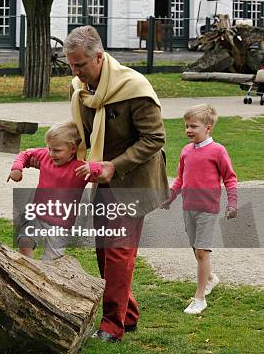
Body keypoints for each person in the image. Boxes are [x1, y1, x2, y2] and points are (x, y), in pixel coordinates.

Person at [66, 25, 169, 343]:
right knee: (103, 251)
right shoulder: (81, 88)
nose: (75, 71)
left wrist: (115, 165)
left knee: (119, 253)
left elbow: (155, 138)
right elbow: (80, 133)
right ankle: (128, 313)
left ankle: (113, 325)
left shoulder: (134, 88)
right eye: (71, 65)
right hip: (102, 178)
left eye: (80, 64)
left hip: (132, 180)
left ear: (99, 57)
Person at [161, 104, 238, 315]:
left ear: (208, 128)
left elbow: (230, 178)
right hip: (188, 208)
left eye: (193, 126)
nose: (188, 130)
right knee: (196, 249)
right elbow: (180, 179)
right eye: (186, 126)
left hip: (208, 209)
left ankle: (200, 298)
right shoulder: (186, 151)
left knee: (202, 251)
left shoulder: (218, 151)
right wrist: (170, 198)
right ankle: (211, 278)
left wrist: (232, 203)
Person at [8, 122, 102, 260]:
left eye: (57, 150)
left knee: (53, 259)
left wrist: (93, 168)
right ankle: (26, 264)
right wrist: (16, 168)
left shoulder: (80, 168)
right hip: (37, 212)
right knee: (25, 239)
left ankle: (46, 275)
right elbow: (25, 154)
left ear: (73, 149)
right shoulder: (46, 155)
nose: (52, 154)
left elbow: (100, 173)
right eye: (49, 149)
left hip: (61, 222)